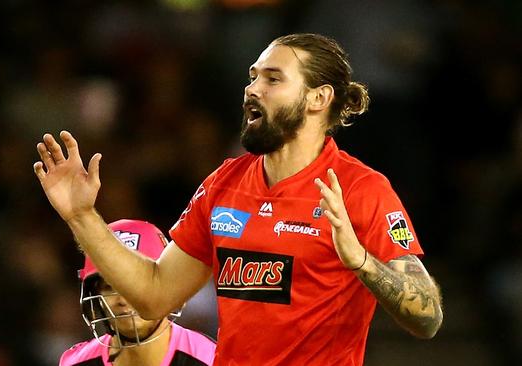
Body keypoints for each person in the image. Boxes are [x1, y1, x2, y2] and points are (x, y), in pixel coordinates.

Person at [34, 33, 443, 365]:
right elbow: (154, 293)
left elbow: (427, 318)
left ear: (319, 98)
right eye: (252, 76)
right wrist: (82, 215)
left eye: (273, 79)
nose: (252, 89)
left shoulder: (359, 188)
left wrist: (361, 261)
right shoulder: (224, 183)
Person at [59, 219, 216, 366]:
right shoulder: (75, 362)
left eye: (138, 285)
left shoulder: (212, 359)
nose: (124, 299)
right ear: (95, 296)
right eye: (109, 286)